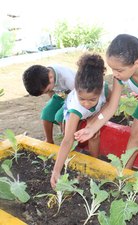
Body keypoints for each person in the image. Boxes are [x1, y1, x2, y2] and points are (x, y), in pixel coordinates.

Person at [75, 34, 138, 176]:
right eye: (112, 69)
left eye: (119, 70)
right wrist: (92, 128)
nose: (115, 74)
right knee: (135, 134)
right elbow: (112, 106)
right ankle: (124, 173)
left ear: (136, 63)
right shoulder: (120, 77)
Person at [50, 53, 110, 189]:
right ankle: (72, 155)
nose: (87, 103)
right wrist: (56, 170)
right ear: (76, 90)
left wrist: (95, 119)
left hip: (94, 114)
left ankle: (94, 162)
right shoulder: (76, 109)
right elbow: (67, 141)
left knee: (94, 135)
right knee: (70, 135)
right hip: (73, 111)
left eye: (92, 100)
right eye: (82, 98)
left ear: (100, 92)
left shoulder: (105, 89)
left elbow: (110, 104)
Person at [22, 64, 75, 144]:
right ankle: (49, 140)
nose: (46, 92)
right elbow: (51, 93)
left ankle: (68, 142)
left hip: (76, 96)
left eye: (47, 90)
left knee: (60, 116)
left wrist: (63, 111)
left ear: (50, 77)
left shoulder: (69, 79)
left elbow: (80, 98)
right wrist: (53, 107)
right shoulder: (44, 76)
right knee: (46, 113)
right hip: (61, 95)